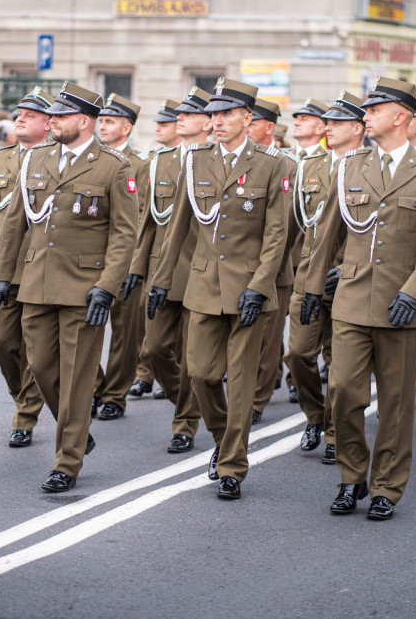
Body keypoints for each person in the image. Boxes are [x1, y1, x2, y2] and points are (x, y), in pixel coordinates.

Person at [300, 77, 416, 519]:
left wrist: (414, 293)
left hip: (402, 308)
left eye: (375, 109)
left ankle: (386, 487)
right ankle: (352, 477)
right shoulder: (349, 167)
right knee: (344, 392)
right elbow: (326, 234)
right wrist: (312, 288)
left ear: (401, 116)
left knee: (396, 404)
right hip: (350, 300)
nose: (365, 115)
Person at [0, 81, 137, 493]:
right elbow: (14, 222)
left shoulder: (113, 166)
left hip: (84, 288)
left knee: (76, 377)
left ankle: (66, 461)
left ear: (84, 121)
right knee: (39, 368)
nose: (52, 120)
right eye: (51, 114)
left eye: (60, 115)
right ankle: (77, 431)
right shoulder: (36, 159)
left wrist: (107, 286)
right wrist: (1, 276)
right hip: (37, 281)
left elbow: (124, 234)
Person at [149, 77, 288, 500]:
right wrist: (160, 279)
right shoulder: (194, 160)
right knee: (202, 374)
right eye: (214, 113)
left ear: (248, 117)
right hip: (204, 285)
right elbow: (177, 228)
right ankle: (223, 435)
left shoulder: (272, 163)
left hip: (249, 288)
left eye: (227, 113)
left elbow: (276, 235)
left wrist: (261, 286)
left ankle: (232, 464)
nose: (218, 121)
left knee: (241, 381)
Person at [124, 91, 210, 453]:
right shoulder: (159, 162)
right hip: (163, 272)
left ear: (208, 121)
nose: (180, 117)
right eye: (180, 113)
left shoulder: (217, 161)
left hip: (202, 272)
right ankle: (187, 404)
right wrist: (137, 266)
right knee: (156, 348)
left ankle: (185, 424)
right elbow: (147, 221)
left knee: (194, 357)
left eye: (190, 114)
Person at [285, 90, 365, 462]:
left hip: (348, 279)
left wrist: (346, 269)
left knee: (340, 362)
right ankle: (314, 416)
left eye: (336, 123)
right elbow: (296, 225)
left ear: (358, 128)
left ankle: (335, 431)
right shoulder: (310, 166)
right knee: (299, 354)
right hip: (307, 277)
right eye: (327, 123)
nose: (327, 128)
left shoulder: (369, 167)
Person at [0, 87, 53, 448]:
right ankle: (22, 398)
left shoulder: (57, 159)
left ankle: (26, 416)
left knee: (37, 350)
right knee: (2, 341)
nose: (20, 118)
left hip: (41, 265)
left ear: (49, 124)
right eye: (20, 113)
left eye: (31, 114)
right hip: (3, 268)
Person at [95, 93, 155, 417]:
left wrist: (137, 263)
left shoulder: (142, 164)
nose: (102, 126)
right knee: (84, 328)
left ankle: (114, 396)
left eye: (110, 121)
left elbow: (143, 216)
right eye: (101, 120)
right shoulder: (91, 158)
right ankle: (94, 387)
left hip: (127, 257)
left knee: (124, 333)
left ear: (126, 127)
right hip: (89, 257)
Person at [246, 97, 299, 424]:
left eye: (253, 122)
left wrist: (279, 266)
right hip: (240, 266)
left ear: (270, 127)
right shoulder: (240, 162)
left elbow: (289, 224)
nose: (247, 127)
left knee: (266, 340)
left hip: (275, 268)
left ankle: (256, 400)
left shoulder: (288, 165)